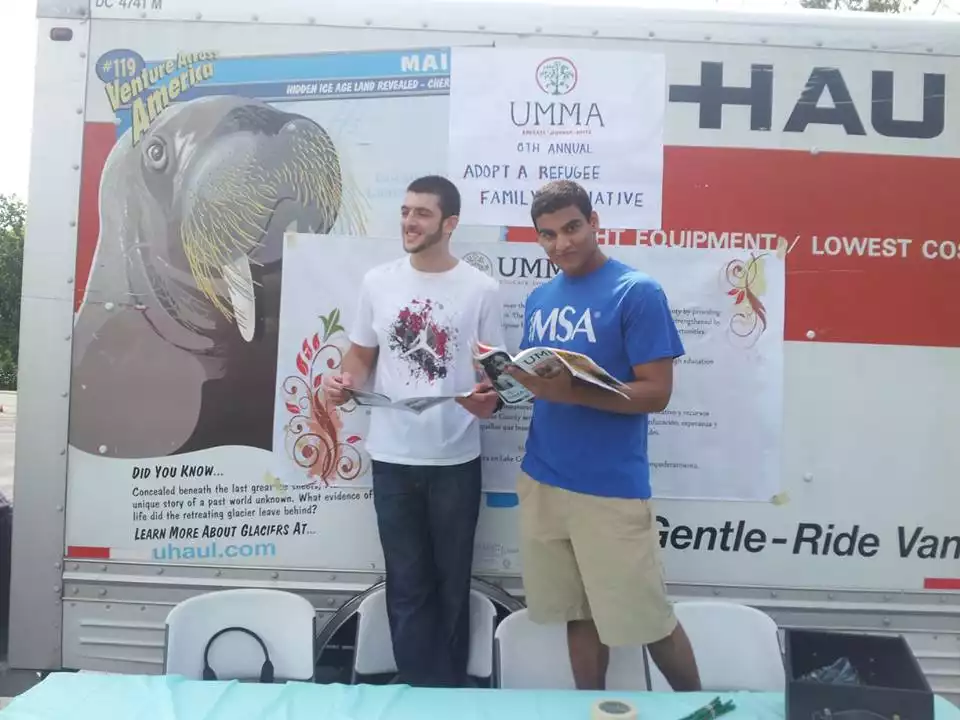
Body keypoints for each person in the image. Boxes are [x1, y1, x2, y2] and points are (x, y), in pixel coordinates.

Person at [505, 180, 702, 691]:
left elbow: (657, 393)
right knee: (578, 613)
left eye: (572, 227)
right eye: (548, 234)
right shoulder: (539, 298)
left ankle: (698, 710)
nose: (562, 243)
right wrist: (493, 394)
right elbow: (534, 382)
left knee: (649, 621)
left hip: (609, 489)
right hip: (543, 478)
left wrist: (573, 394)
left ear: (594, 223)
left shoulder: (637, 291)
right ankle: (591, 710)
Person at [324, 175, 503, 687]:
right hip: (392, 458)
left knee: (452, 583)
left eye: (422, 213)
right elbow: (360, 358)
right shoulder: (378, 282)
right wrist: (342, 382)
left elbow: (494, 377)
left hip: (455, 460)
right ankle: (417, 688)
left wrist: (486, 399)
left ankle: (446, 691)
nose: (409, 221)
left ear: (450, 223)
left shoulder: (481, 289)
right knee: (405, 582)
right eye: (405, 211)